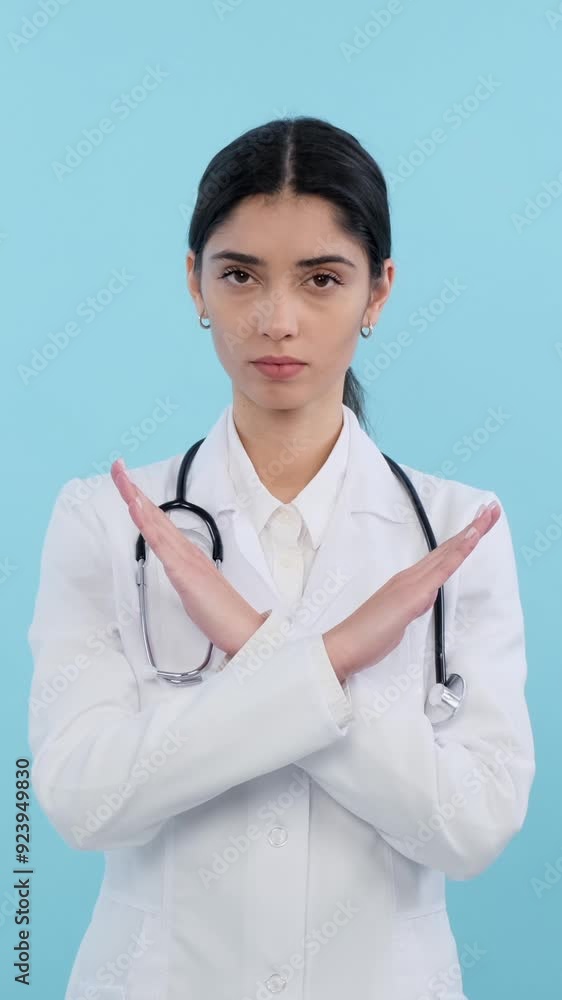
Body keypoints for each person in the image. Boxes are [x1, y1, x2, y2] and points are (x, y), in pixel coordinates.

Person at [27, 115, 535, 1000]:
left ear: (378, 293)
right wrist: (327, 659)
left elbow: (475, 828)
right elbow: (81, 801)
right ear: (195, 284)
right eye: (239, 275)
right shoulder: (105, 522)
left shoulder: (458, 535)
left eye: (322, 279)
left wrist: (255, 644)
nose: (276, 319)